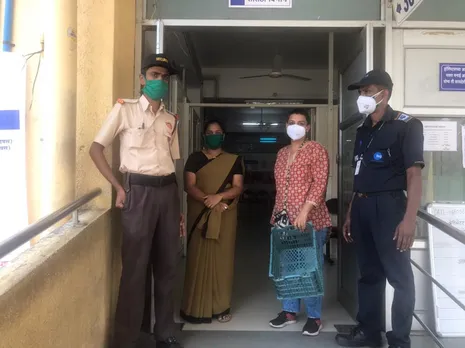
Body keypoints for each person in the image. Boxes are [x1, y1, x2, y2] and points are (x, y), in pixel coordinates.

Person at [89, 53, 184, 348]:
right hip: (137, 192)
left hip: (167, 192)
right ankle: (127, 339)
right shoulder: (125, 111)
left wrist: (178, 209)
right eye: (154, 75)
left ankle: (164, 332)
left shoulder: (171, 118)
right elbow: (95, 149)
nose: (160, 81)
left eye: (164, 77)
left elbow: (173, 163)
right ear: (142, 79)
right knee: (134, 269)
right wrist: (118, 186)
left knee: (168, 266)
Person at [335, 70, 424, 348]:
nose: (362, 96)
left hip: (389, 207)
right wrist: (350, 213)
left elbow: (414, 175)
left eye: (366, 90)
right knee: (369, 274)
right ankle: (370, 332)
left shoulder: (407, 125)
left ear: (383, 94)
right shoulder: (362, 129)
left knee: (399, 278)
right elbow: (359, 173)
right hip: (362, 206)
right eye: (360, 92)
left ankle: (399, 340)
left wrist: (409, 220)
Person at [269, 109, 331, 337]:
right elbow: (280, 190)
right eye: (292, 122)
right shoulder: (282, 153)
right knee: (287, 267)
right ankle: (289, 312)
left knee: (309, 268)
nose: (296, 126)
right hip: (284, 221)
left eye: (301, 123)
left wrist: (305, 211)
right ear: (286, 125)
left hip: (311, 220)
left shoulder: (316, 150)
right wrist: (277, 218)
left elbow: (319, 184)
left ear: (308, 128)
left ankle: (314, 317)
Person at [180, 120, 244, 324]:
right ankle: (193, 308)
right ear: (204, 135)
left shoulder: (233, 160)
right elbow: (189, 185)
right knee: (196, 259)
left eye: (218, 132)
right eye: (210, 132)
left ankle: (221, 307)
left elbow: (238, 187)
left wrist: (220, 197)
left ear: (223, 136)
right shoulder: (194, 158)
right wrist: (208, 200)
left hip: (224, 215)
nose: (214, 135)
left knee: (222, 260)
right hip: (199, 214)